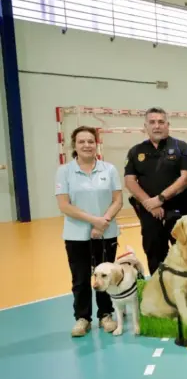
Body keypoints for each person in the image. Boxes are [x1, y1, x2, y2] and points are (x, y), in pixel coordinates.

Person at [55, 126, 122, 337]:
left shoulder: (109, 169)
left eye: (90, 141)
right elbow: (64, 205)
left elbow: (117, 200)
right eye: (82, 141)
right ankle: (82, 318)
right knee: (81, 278)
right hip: (76, 235)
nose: (87, 145)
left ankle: (106, 315)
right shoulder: (64, 171)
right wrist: (95, 221)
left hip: (106, 233)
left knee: (106, 276)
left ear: (96, 144)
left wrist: (104, 222)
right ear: (74, 145)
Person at [124, 107, 187, 275]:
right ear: (145, 126)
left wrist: (160, 199)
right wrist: (150, 204)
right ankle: (159, 294)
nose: (157, 126)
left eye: (161, 122)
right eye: (152, 122)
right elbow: (129, 181)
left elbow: (186, 177)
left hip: (179, 212)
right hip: (150, 214)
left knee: (185, 255)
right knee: (155, 255)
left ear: (167, 125)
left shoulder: (181, 147)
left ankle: (186, 294)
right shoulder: (136, 151)